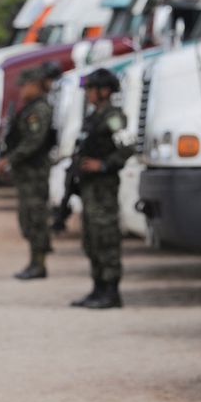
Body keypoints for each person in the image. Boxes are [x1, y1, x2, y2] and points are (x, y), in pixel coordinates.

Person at [70, 68, 133, 309]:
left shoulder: (113, 117)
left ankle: (111, 290)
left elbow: (127, 147)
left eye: (91, 89)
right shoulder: (93, 117)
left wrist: (105, 165)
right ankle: (97, 287)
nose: (87, 94)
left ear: (104, 91)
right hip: (89, 188)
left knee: (106, 237)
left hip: (103, 188)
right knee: (91, 238)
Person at [0, 67, 54, 280]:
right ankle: (35, 261)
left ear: (35, 85)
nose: (21, 90)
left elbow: (33, 142)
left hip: (35, 173)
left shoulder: (39, 110)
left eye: (25, 85)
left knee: (35, 218)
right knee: (28, 218)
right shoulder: (29, 108)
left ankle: (39, 263)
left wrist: (9, 160)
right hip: (26, 173)